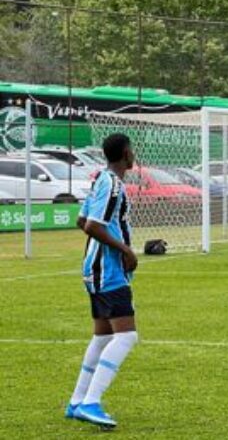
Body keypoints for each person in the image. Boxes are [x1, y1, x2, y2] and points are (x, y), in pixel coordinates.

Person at [66, 134, 138, 429]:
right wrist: (125, 249)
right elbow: (93, 226)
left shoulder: (101, 179)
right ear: (124, 153)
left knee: (103, 337)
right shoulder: (111, 184)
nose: (134, 154)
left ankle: (76, 400)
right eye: (131, 149)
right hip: (106, 271)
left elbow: (82, 220)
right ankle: (91, 402)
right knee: (127, 336)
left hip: (94, 269)